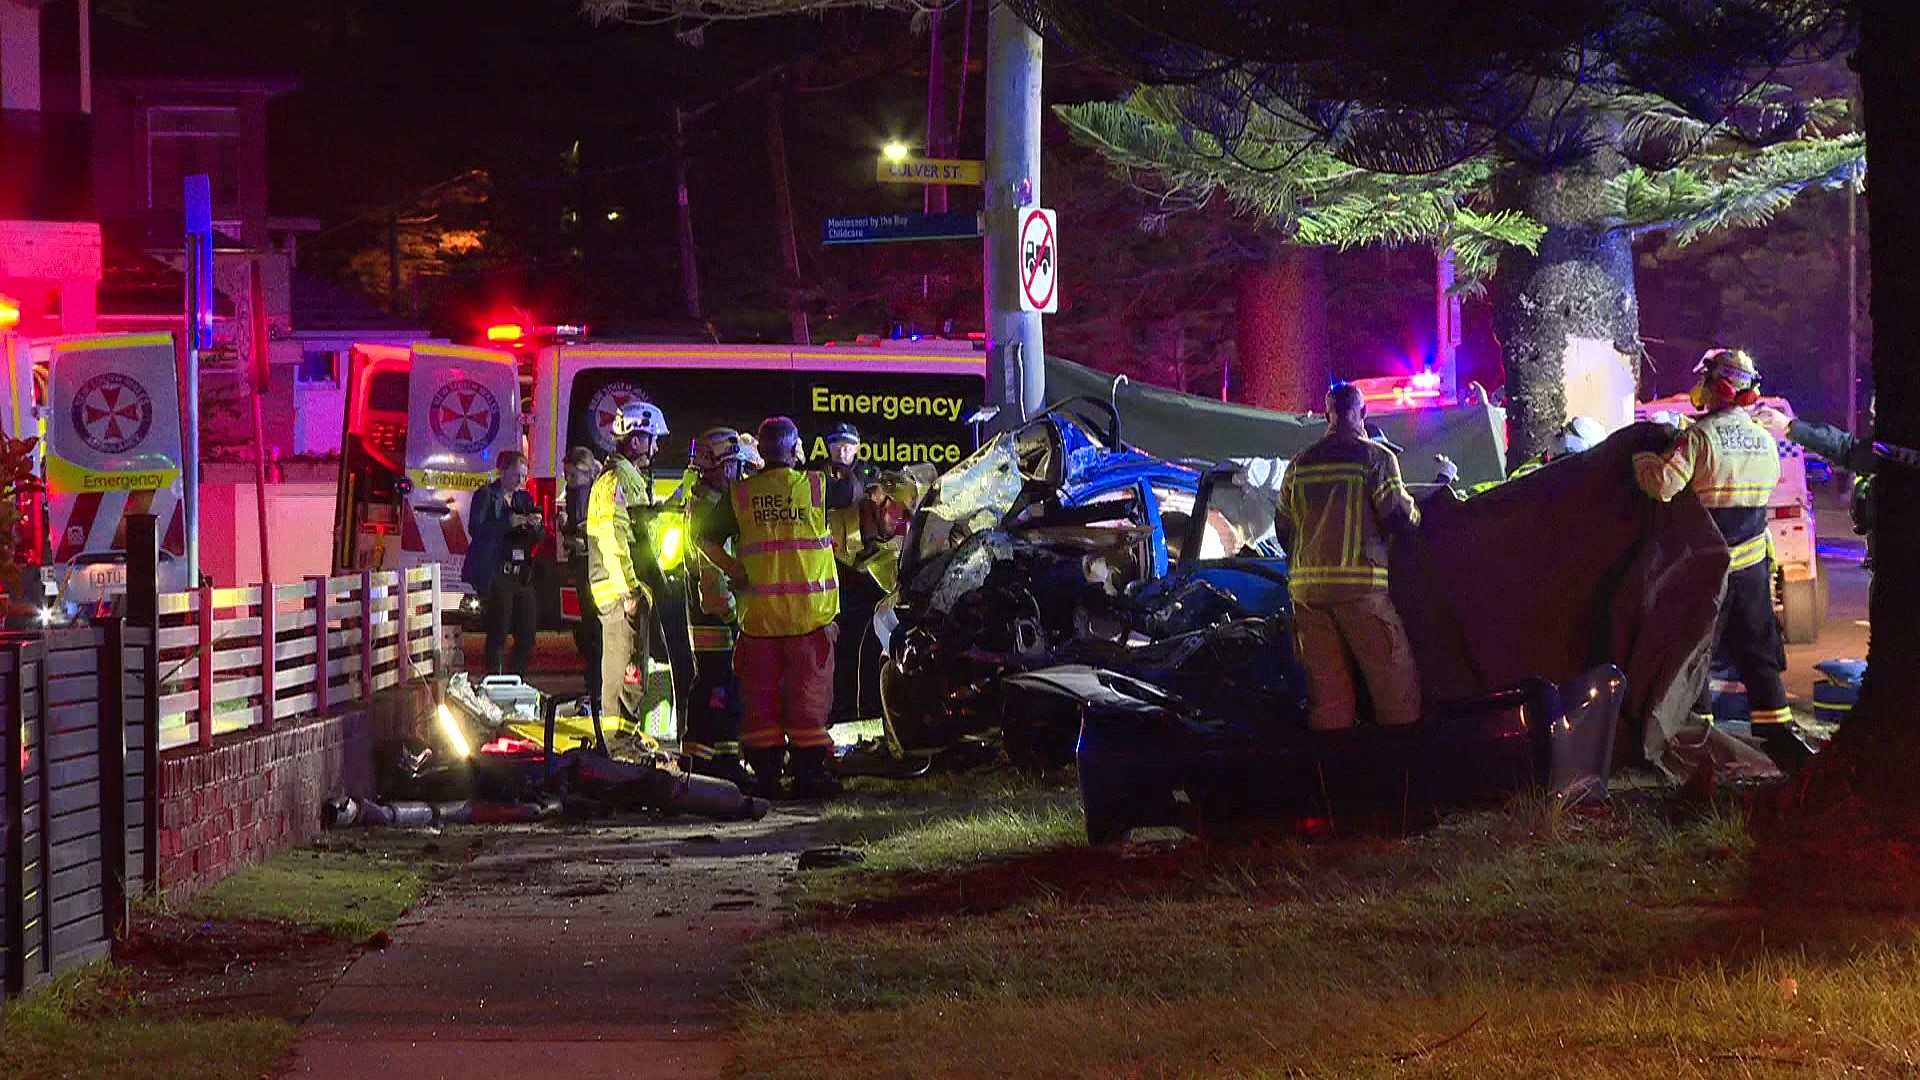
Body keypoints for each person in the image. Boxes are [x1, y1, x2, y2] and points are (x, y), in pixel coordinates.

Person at [1634, 348, 1812, 774]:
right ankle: (1778, 737)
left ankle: (1701, 743)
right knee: (1758, 653)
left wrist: (1641, 460)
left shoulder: (1698, 438)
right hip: (1753, 570)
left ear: (1721, 387)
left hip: (1708, 572)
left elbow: (1662, 486)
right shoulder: (1765, 441)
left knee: (1698, 654)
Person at [697, 416, 859, 798]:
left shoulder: (741, 495)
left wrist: (735, 570)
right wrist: (837, 463)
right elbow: (852, 491)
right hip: (810, 618)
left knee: (761, 702)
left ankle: (767, 776)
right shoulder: (816, 486)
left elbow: (703, 538)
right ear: (794, 449)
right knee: (809, 698)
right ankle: (808, 775)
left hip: (760, 620)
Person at [1275, 383, 1423, 731]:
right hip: (1360, 594)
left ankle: (1333, 778)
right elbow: (1399, 518)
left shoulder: (1300, 464)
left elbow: (1283, 528)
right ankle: (1401, 777)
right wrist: (1417, 511)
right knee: (1396, 691)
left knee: (1329, 703)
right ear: (1363, 413)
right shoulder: (1375, 458)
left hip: (1306, 598)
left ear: (1328, 414)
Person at [680, 427, 762, 790]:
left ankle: (697, 755)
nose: (738, 475)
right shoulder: (713, 506)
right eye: (734, 467)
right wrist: (733, 613)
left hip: (704, 609)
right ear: (720, 467)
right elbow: (712, 570)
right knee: (723, 686)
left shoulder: (700, 499)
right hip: (715, 610)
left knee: (708, 684)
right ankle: (726, 761)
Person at [586, 401, 672, 736]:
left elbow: (635, 529)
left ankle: (625, 739)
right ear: (635, 440)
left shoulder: (629, 478)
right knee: (625, 672)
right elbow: (612, 535)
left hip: (632, 590)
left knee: (634, 669)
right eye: (652, 438)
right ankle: (617, 745)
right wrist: (628, 590)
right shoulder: (615, 480)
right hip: (622, 592)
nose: (656, 446)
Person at [1756, 400, 1877, 567]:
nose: (1871, 417)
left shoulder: (1894, 451)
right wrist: (1790, 426)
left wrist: (1790, 426)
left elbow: (1847, 449)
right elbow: (1848, 448)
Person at [463, 451, 545, 675]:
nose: (520, 481)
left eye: (524, 476)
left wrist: (536, 526)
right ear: (502, 471)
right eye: (516, 475)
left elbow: (539, 537)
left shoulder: (524, 499)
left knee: (527, 634)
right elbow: (476, 529)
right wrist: (507, 522)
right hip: (499, 572)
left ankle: (516, 678)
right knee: (498, 631)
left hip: (522, 574)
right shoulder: (487, 496)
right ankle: (495, 680)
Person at [557, 446, 603, 700]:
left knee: (593, 629)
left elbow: (595, 532)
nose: (569, 481)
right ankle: (593, 683)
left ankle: (596, 686)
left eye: (573, 476)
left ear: (587, 474)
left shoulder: (590, 494)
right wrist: (566, 529)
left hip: (592, 568)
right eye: (567, 475)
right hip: (581, 565)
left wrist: (580, 540)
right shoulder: (576, 494)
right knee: (585, 628)